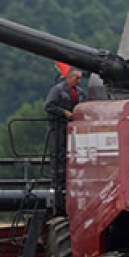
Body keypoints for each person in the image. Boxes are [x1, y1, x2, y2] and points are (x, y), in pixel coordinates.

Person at [44, 63, 86, 210]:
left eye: (80, 79)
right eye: (76, 78)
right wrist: (63, 112)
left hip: (72, 129)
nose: (79, 81)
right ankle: (57, 186)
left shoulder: (80, 92)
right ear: (69, 77)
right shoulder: (57, 90)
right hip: (58, 127)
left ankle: (70, 183)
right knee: (58, 155)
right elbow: (48, 106)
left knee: (71, 156)